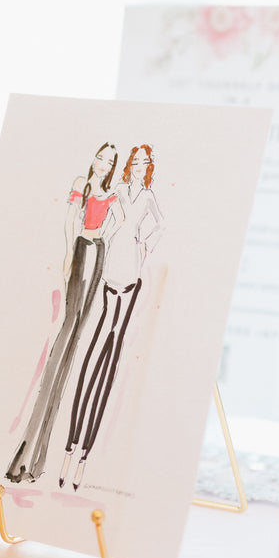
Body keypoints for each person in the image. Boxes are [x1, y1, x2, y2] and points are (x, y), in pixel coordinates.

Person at [6, 144, 123, 484]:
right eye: (100, 158)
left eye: (109, 161)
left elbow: (118, 220)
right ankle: (28, 456)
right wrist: (72, 253)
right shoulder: (81, 184)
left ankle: (38, 458)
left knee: (75, 340)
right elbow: (71, 221)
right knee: (67, 335)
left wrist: (104, 238)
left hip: (97, 251)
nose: (103, 165)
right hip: (82, 252)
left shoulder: (110, 193)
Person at [60, 144, 166, 492]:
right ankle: (70, 447)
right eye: (134, 163)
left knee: (114, 351)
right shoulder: (118, 190)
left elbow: (160, 224)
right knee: (94, 350)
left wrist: (144, 243)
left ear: (148, 167)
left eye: (143, 164)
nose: (137, 167)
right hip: (110, 265)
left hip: (132, 268)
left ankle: (84, 454)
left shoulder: (148, 196)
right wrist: (102, 235)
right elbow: (106, 216)